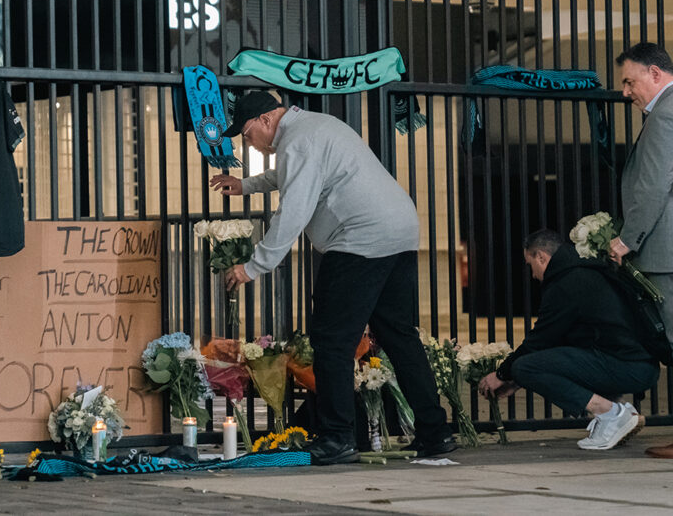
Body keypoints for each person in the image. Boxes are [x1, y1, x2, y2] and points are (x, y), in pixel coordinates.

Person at [210, 91, 454, 465]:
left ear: (264, 120)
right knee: (399, 336)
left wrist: (254, 266)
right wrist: (248, 185)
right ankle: (435, 434)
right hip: (399, 232)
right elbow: (292, 173)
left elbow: (293, 209)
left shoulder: (298, 140)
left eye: (245, 134)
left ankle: (338, 437)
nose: (247, 142)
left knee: (331, 341)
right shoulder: (315, 127)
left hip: (360, 239)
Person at [478, 229, 658, 450]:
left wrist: (502, 374)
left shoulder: (566, 283)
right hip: (638, 364)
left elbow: (540, 341)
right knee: (526, 368)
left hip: (626, 365)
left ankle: (612, 414)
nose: (533, 274)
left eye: (530, 264)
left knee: (525, 366)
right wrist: (515, 380)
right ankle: (615, 414)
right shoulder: (587, 270)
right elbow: (561, 344)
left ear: (541, 257)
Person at [607, 42, 673, 458]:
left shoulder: (665, 116)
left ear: (654, 73)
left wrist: (627, 239)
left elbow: (653, 185)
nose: (626, 92)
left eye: (630, 82)